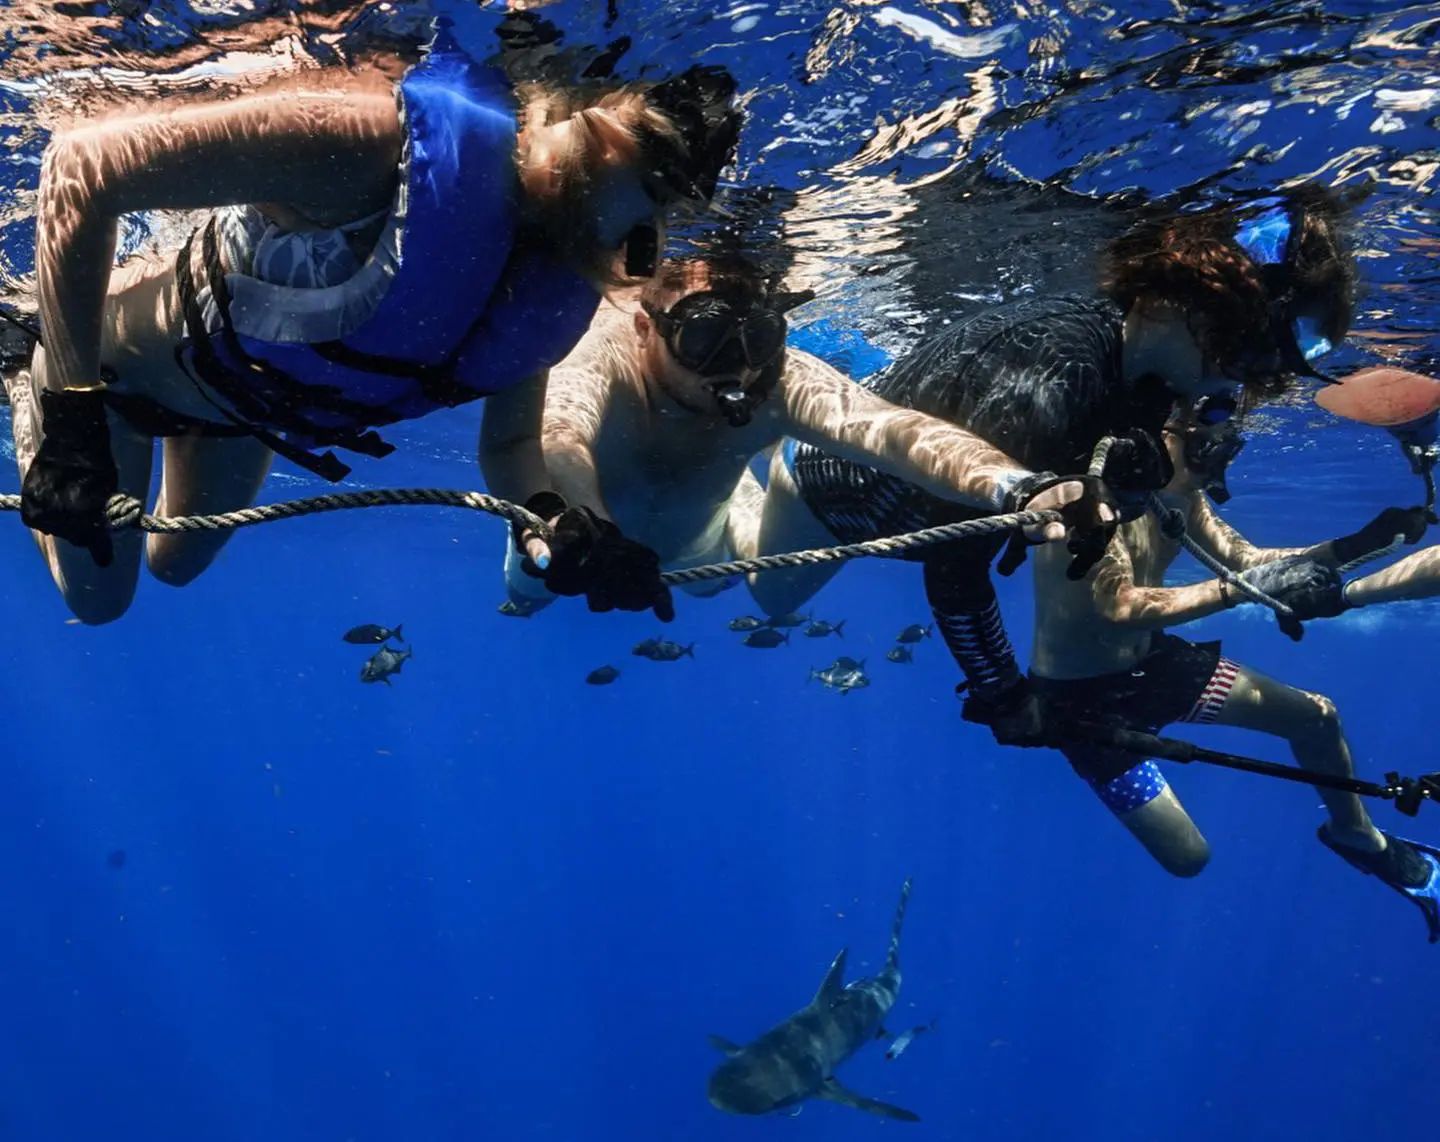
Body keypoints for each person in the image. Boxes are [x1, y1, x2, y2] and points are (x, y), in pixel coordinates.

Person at [6, 16, 740, 625]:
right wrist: (72, 419)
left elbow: (513, 444)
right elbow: (82, 165)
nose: (645, 231)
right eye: (648, 186)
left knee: (177, 563)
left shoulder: (557, 267)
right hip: (111, 375)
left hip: (241, 406)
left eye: (669, 208)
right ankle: (20, 363)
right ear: (592, 111)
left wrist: (563, 521)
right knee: (103, 599)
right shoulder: (373, 145)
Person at [739, 183, 1367, 739]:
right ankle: (763, 445)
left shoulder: (1139, 371)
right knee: (762, 594)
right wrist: (1003, 694)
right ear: (1199, 306)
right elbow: (954, 572)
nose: (1245, 385)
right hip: (829, 498)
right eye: (1252, 357)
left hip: (903, 456)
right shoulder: (1046, 385)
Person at [499, 252, 1118, 621]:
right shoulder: (601, 347)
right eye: (705, 338)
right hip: (579, 540)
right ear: (644, 326)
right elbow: (557, 434)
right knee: (526, 594)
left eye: (759, 340)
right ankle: (744, 476)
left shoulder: (783, 379)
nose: (737, 367)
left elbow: (895, 432)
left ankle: (746, 483)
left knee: (721, 583)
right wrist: (593, 530)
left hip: (699, 552)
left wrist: (1020, 487)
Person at [1021, 397, 1439, 943]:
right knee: (1189, 857)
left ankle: (1356, 835)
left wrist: (1360, 543)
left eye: (1223, 447)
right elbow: (1119, 608)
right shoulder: (1088, 499)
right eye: (1202, 445)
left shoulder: (1181, 500)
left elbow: (1252, 562)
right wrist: (1240, 591)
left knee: (1317, 716)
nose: (1214, 460)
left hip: (1153, 667)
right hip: (1079, 703)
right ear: (1162, 431)